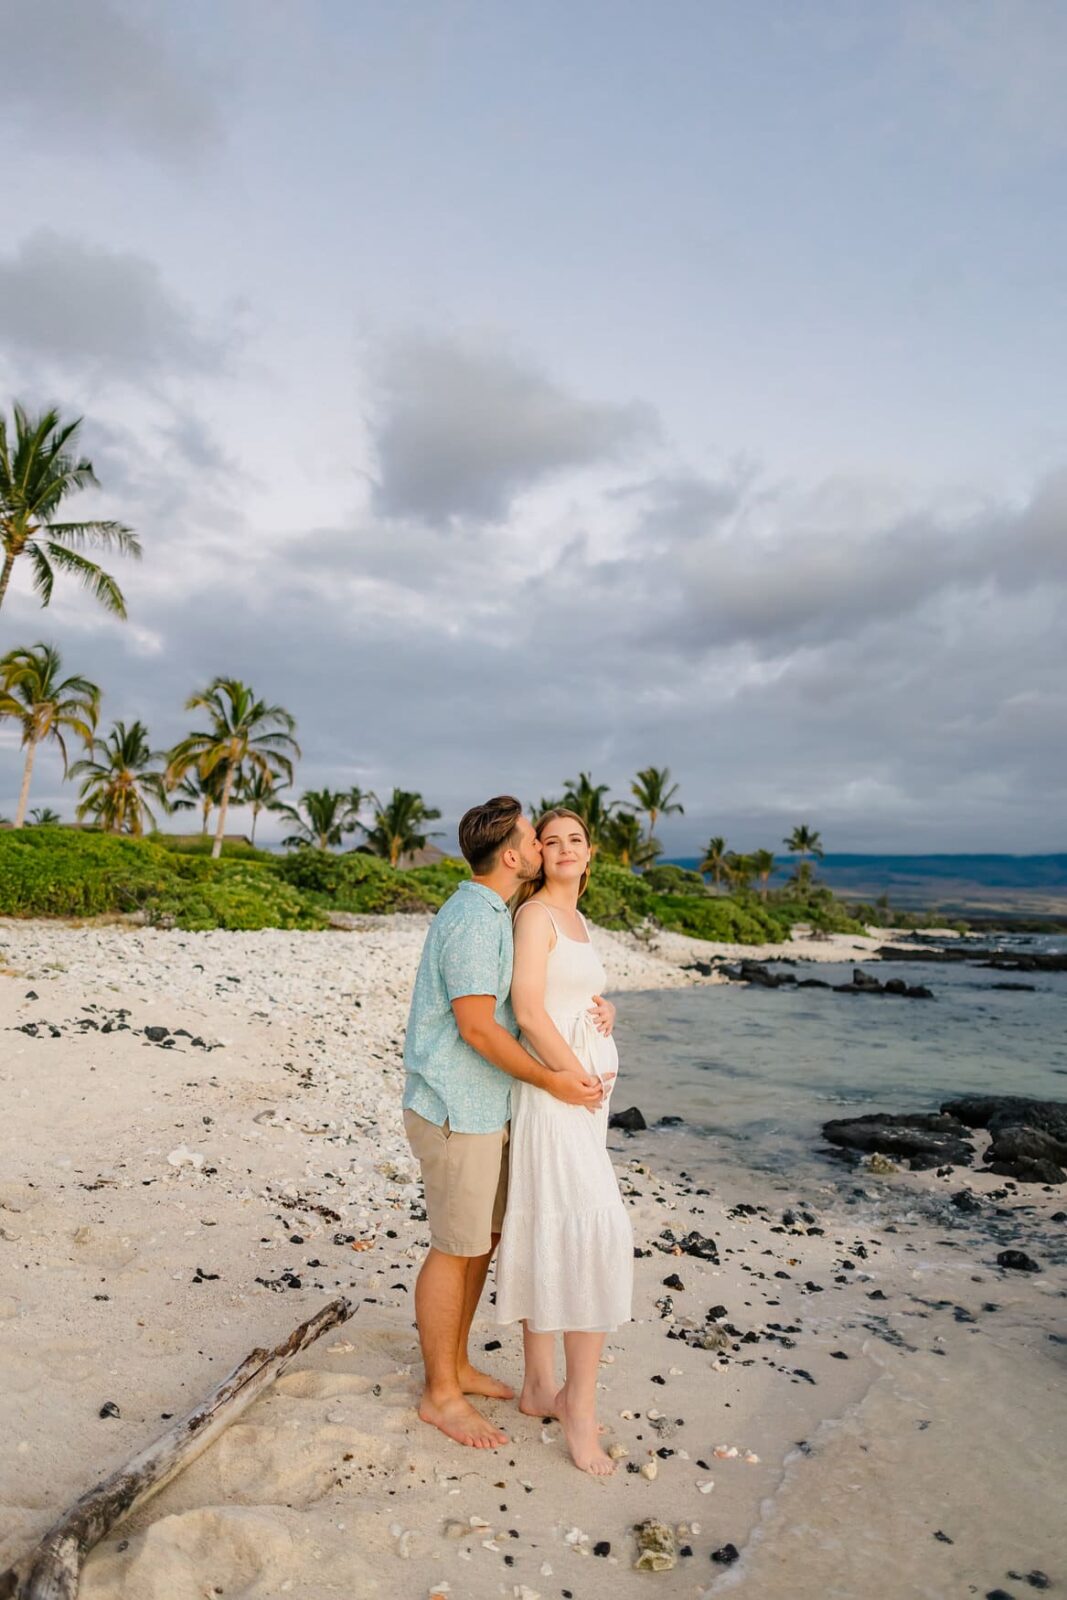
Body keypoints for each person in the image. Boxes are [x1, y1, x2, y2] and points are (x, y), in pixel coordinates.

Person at [402, 795, 609, 1450]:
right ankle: (439, 1396)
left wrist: (594, 1013)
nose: (545, 847)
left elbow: (528, 1003)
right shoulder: (471, 917)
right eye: (534, 837)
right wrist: (551, 1079)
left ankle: (456, 1365)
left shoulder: (496, 912)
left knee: (480, 1242)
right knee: (454, 1246)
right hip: (453, 1107)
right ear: (517, 854)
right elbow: (475, 1027)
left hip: (488, 1106)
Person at [494, 808, 634, 1475]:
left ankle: (535, 1388)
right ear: (539, 856)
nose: (565, 849)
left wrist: (604, 1012)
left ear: (591, 852)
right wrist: (566, 1076)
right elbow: (525, 1010)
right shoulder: (535, 918)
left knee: (559, 1228)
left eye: (575, 839)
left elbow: (567, 997)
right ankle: (577, 1406)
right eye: (551, 842)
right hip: (554, 1096)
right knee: (594, 1230)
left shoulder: (579, 921)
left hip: (581, 1101)